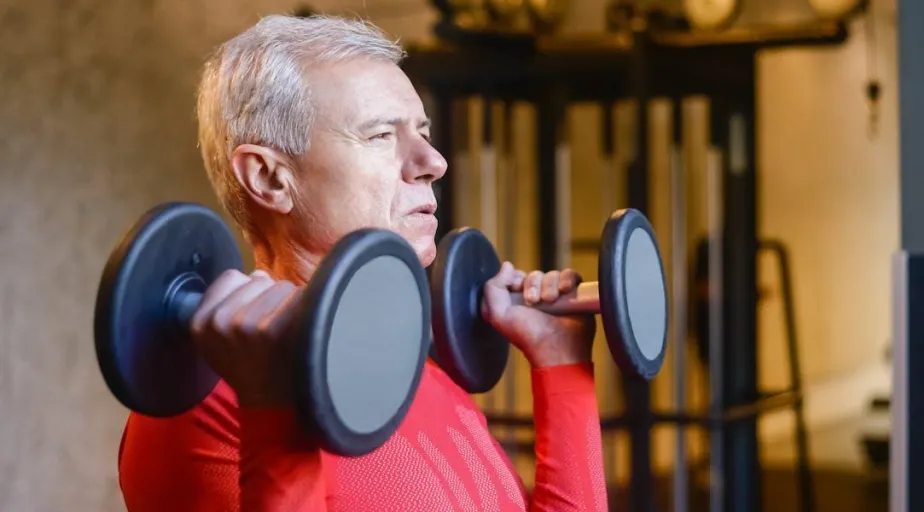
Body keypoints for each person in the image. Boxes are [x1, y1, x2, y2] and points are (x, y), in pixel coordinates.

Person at [117, 14, 609, 512]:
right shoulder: (202, 404)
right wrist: (274, 409)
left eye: (422, 131)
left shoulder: (412, 372)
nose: (433, 161)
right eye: (380, 135)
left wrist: (561, 365)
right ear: (269, 179)